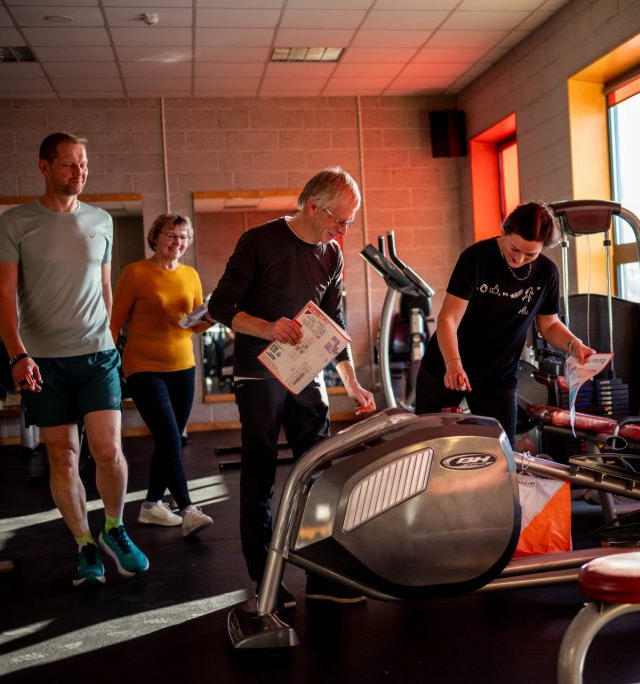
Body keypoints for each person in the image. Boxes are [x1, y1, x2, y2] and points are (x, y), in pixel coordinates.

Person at [208, 166, 375, 605]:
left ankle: (321, 576)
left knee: (319, 471)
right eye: (339, 220)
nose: (343, 231)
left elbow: (334, 322)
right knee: (260, 472)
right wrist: (266, 328)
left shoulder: (331, 254)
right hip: (259, 369)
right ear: (312, 206)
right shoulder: (259, 242)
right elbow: (220, 305)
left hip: (306, 370)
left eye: (349, 223)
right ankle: (266, 580)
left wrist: (352, 384)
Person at [0, 131, 149, 587]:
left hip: (97, 355)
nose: (80, 172)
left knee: (109, 450)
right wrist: (18, 355)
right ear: (44, 167)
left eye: (84, 164)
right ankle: (84, 544)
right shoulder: (15, 223)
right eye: (69, 164)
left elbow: (104, 287)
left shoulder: (101, 220)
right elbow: (4, 296)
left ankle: (113, 528)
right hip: (44, 361)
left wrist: (112, 341)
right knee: (62, 457)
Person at [414, 201, 594, 444]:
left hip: (498, 377)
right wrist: (453, 363)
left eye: (530, 254)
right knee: (428, 445)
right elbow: (449, 318)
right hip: (446, 366)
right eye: (515, 248)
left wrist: (575, 345)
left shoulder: (547, 273)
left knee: (500, 451)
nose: (519, 259)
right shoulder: (476, 258)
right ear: (506, 232)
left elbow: (549, 325)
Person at [109, 213, 214, 538]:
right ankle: (188, 509)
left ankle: (151, 504)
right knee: (170, 438)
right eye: (171, 234)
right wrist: (106, 365)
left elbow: (194, 325)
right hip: (143, 367)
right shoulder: (135, 273)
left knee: (169, 439)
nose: (177, 242)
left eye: (183, 237)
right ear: (155, 236)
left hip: (183, 367)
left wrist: (212, 317)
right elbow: (114, 322)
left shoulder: (190, 274)